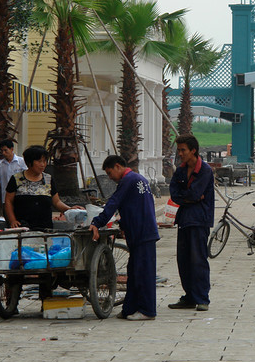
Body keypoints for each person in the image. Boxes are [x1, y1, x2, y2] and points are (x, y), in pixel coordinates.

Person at [89, 155, 159, 321]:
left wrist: (96, 223)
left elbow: (113, 203)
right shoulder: (138, 178)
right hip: (141, 232)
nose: (110, 177)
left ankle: (147, 311)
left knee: (143, 273)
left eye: (110, 172)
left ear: (118, 166)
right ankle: (130, 308)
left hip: (143, 233)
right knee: (134, 272)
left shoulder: (128, 180)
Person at [168, 134, 215, 311]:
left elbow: (195, 195)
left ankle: (202, 298)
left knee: (198, 260)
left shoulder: (204, 170)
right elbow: (175, 194)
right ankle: (189, 296)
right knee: (184, 260)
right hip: (184, 220)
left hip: (199, 220)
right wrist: (189, 198)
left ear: (193, 150)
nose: (180, 153)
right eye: (178, 150)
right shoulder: (180, 171)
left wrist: (188, 197)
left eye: (183, 150)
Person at [5, 145, 80, 230]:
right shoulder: (16, 179)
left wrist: (70, 209)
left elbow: (56, 202)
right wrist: (13, 221)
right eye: (39, 161)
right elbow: (8, 201)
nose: (43, 165)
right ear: (29, 162)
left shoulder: (48, 179)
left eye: (44, 161)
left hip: (45, 228)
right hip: (23, 227)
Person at [0, 139, 26, 213]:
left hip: (20, 196)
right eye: (2, 151)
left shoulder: (21, 162)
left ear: (12, 149)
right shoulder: (1, 164)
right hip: (6, 197)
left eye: (5, 150)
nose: (4, 153)